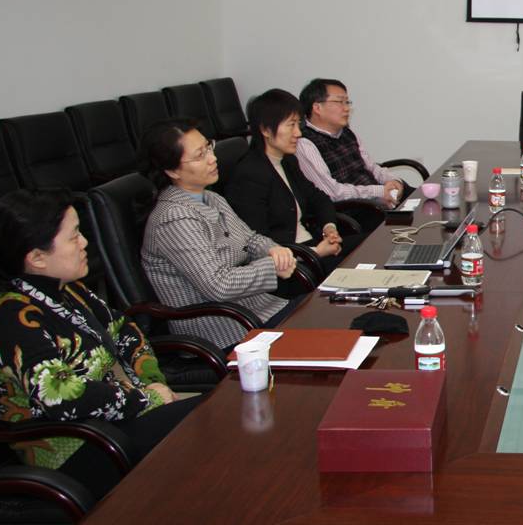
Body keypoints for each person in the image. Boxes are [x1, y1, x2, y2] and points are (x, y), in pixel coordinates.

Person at [0, 189, 202, 498]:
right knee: (207, 423)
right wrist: (147, 400)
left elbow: (126, 331)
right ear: (36, 258)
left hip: (113, 423)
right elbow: (60, 397)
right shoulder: (13, 318)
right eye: (74, 237)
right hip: (74, 446)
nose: (85, 243)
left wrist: (152, 382)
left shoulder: (69, 291)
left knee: (217, 416)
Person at [141, 119, 298, 349]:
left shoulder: (211, 197)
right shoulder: (173, 218)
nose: (212, 158)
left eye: (209, 147)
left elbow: (249, 239)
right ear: (172, 170)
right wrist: (271, 267)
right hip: (224, 330)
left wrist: (273, 250)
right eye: (199, 155)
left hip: (255, 311)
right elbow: (219, 285)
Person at [227, 89, 358, 278]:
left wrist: (329, 229)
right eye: (291, 125)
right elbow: (258, 243)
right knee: (366, 265)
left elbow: (319, 198)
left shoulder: (287, 160)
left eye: (298, 124)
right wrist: (317, 252)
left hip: (311, 247)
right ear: (265, 130)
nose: (298, 133)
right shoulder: (249, 174)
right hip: (292, 265)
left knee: (375, 244)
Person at [296, 78, 412, 234]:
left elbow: (371, 167)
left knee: (425, 200)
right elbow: (332, 193)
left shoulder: (347, 132)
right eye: (340, 102)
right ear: (317, 107)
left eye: (347, 102)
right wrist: (378, 192)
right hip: (352, 213)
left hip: (375, 200)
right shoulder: (305, 143)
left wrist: (392, 181)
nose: (346, 108)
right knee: (410, 225)